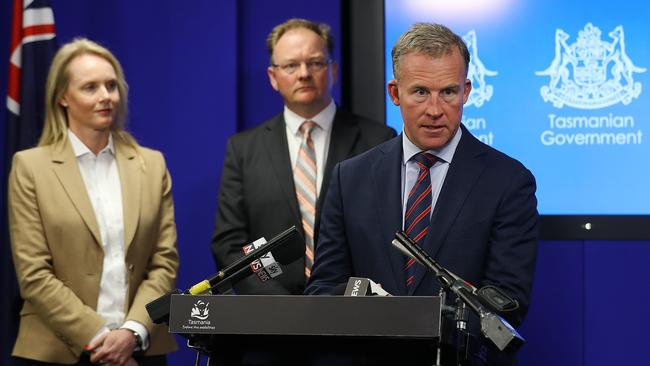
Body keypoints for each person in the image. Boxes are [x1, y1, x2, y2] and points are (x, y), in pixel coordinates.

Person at [305, 23, 538, 365]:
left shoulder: (508, 181)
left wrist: (419, 327)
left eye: (448, 92)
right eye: (419, 92)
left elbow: (507, 301)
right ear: (395, 93)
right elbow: (325, 288)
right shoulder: (350, 177)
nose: (434, 109)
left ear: (467, 91)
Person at [8, 38, 179, 366]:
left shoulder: (151, 164)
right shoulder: (30, 167)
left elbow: (164, 263)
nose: (106, 96)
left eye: (111, 85)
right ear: (62, 97)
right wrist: (100, 338)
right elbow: (33, 273)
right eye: (90, 87)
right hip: (55, 352)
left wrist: (130, 333)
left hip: (140, 348)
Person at [211, 18, 395, 295]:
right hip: (271, 318)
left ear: (333, 69)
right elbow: (231, 244)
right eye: (291, 65)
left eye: (315, 62)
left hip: (354, 312)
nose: (304, 73)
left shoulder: (378, 140)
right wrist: (277, 300)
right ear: (273, 77)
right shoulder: (244, 149)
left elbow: (387, 235)